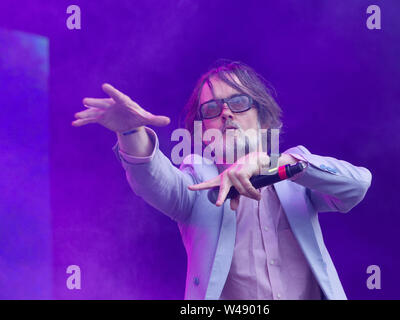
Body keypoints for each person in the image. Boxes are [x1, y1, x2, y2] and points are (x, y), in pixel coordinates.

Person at [72, 61, 372, 300]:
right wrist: (129, 132)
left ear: (264, 117)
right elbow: (152, 179)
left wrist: (272, 162)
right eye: (212, 109)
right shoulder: (198, 180)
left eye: (239, 102)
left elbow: (357, 185)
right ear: (203, 130)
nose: (226, 113)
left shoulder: (297, 174)